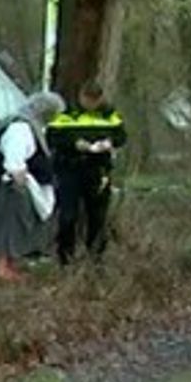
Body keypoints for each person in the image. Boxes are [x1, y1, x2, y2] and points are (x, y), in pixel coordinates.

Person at [0, 92, 66, 281]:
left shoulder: (28, 126)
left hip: (13, 186)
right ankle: (1, 269)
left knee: (15, 227)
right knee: (10, 227)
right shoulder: (20, 127)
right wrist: (18, 175)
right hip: (12, 188)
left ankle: (8, 266)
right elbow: (14, 156)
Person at [47, 81, 127, 264]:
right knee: (68, 216)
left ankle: (96, 259)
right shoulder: (66, 115)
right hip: (70, 169)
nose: (91, 104)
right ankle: (65, 258)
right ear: (81, 97)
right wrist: (75, 144)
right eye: (88, 100)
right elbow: (53, 137)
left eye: (95, 100)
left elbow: (121, 136)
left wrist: (109, 143)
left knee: (97, 217)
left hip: (98, 170)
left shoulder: (110, 115)